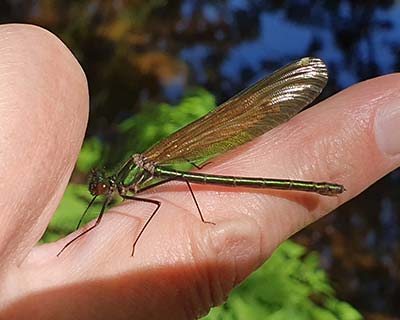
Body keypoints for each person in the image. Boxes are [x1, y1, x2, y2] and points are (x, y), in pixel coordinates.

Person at [0, 24, 399, 320]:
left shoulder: (135, 172)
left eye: (103, 187)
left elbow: (155, 207)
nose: (101, 193)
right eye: (102, 188)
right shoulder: (126, 180)